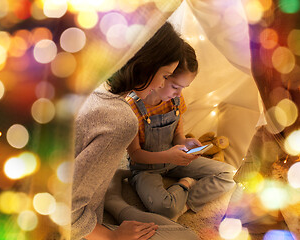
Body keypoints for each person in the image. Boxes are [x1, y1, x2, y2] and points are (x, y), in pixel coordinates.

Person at [71, 22, 199, 240]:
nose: (161, 85)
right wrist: (112, 236)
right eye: (165, 75)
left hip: (76, 207)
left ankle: (113, 200)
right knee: (190, 237)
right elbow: (65, 211)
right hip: (69, 228)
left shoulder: (86, 82)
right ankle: (114, 204)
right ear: (146, 65)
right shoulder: (120, 120)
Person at [126, 42, 236, 220]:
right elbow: (136, 155)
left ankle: (183, 205)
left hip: (174, 161)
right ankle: (185, 185)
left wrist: (186, 143)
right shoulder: (132, 107)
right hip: (146, 168)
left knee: (230, 174)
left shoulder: (175, 100)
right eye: (175, 87)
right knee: (165, 208)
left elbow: (178, 136)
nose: (178, 93)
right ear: (161, 75)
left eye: (183, 88)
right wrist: (169, 156)